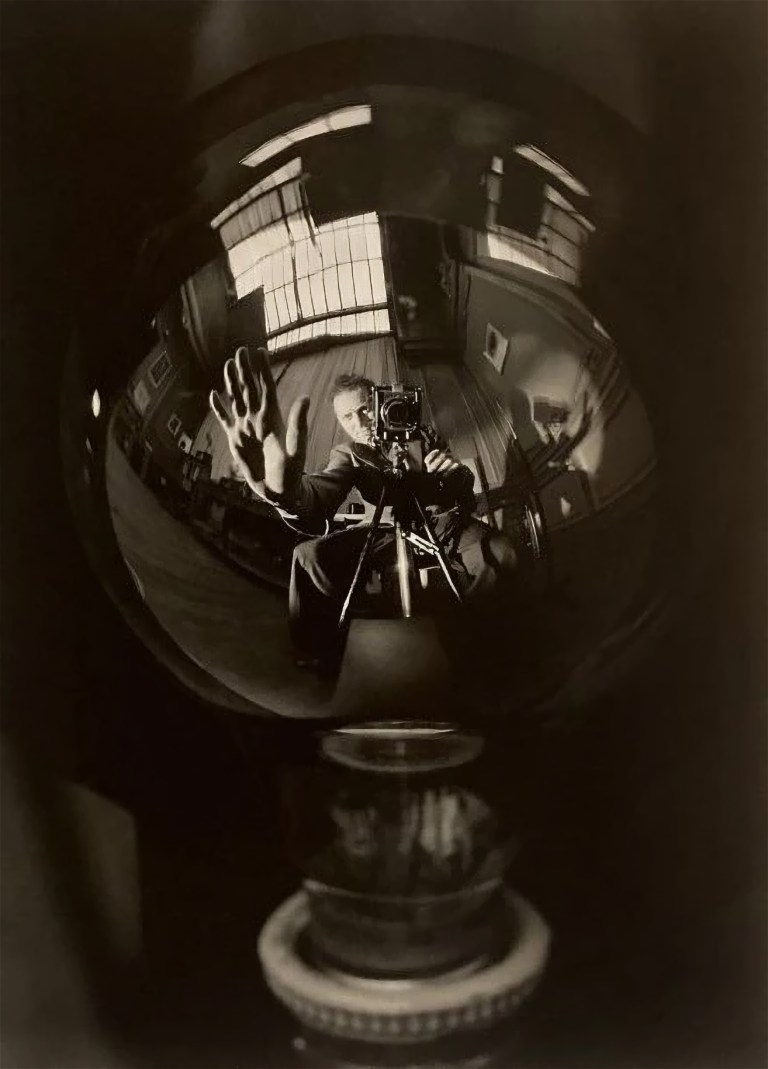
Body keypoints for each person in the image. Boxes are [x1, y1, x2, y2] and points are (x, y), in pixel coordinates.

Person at [210, 346, 518, 666]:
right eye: (347, 417)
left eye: (364, 409)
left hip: (438, 524)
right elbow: (316, 498)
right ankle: (324, 651)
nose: (358, 422)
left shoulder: (421, 435)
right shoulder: (349, 454)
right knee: (306, 557)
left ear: (380, 402)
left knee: (502, 552)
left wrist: (453, 473)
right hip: (381, 530)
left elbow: (463, 496)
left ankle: (471, 641)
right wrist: (281, 492)